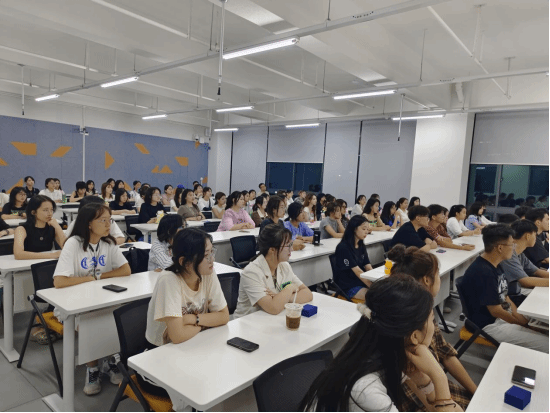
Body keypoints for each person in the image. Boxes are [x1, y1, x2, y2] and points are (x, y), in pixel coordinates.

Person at [301, 276, 463, 412]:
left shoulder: (386, 351)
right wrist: (439, 378)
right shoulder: (366, 390)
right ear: (414, 336)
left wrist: (423, 380)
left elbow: (434, 408)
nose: (434, 325)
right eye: (432, 319)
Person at [53, 203, 132, 395]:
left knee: (119, 315)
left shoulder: (108, 243)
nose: (108, 225)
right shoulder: (73, 244)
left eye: (109, 220)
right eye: (103, 220)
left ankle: (110, 361)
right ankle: (93, 368)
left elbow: (126, 270)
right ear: (89, 223)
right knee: (91, 320)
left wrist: (98, 277)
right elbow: (59, 281)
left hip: (102, 299)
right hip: (73, 303)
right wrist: (89, 279)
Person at [388, 245, 477, 408]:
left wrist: (476, 392)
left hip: (436, 389)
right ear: (427, 280)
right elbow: (427, 402)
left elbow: (444, 352)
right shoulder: (409, 336)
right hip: (427, 398)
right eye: (438, 274)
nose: (440, 278)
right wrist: (439, 379)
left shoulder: (421, 311)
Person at [143, 228, 229, 397]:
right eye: (206, 255)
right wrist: (205, 323)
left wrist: (193, 319)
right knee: (203, 388)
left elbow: (224, 316)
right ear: (184, 262)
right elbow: (177, 336)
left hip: (193, 348)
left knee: (221, 378)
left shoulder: (207, 273)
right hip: (159, 358)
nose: (212, 259)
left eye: (212, 252)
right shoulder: (169, 280)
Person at [460, 224, 548, 354]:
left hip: (500, 318)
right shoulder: (483, 272)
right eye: (512, 244)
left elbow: (505, 297)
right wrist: (521, 324)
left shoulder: (496, 264)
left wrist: (520, 318)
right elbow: (496, 311)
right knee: (546, 344)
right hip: (489, 325)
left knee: (541, 327)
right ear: (500, 248)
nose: (514, 248)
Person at [234, 225, 313, 319]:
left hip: (270, 319)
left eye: (291, 244)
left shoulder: (284, 266)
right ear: (272, 250)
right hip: (248, 322)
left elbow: (308, 294)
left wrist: (281, 298)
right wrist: (290, 288)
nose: (291, 249)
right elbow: (273, 307)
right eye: (288, 245)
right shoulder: (251, 272)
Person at [500, 220, 549, 306]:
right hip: (509, 295)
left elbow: (536, 271)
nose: (536, 238)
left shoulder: (520, 254)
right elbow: (525, 281)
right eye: (535, 235)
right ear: (528, 236)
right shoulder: (509, 254)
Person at [13, 195, 66, 260]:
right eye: (45, 210)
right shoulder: (21, 229)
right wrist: (52, 255)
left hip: (45, 263)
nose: (50, 213)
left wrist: (58, 227)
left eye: (51, 210)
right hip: (26, 264)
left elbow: (67, 247)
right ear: (33, 212)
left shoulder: (52, 227)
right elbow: (18, 254)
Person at [334, 216, 373, 301]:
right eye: (364, 229)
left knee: (384, 292)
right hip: (348, 286)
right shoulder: (343, 247)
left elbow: (368, 266)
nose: (366, 232)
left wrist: (375, 281)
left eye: (367, 229)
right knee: (377, 296)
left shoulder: (361, 245)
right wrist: (373, 286)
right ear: (355, 229)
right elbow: (358, 272)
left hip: (360, 281)